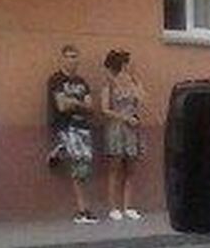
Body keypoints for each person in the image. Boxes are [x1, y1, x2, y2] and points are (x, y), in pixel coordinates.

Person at [47, 45, 98, 224]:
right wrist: (79, 103)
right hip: (66, 126)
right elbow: (61, 106)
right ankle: (82, 211)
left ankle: (59, 151)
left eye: (75, 56)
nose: (72, 60)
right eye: (69, 56)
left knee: (85, 168)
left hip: (83, 127)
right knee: (78, 167)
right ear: (62, 59)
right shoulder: (56, 79)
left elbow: (91, 107)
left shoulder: (82, 82)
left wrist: (73, 102)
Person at [98, 49, 145, 221]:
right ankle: (113, 207)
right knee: (115, 168)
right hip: (117, 128)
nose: (132, 66)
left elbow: (142, 100)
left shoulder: (134, 82)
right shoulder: (108, 84)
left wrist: (136, 83)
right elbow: (104, 109)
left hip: (132, 129)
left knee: (131, 168)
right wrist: (125, 118)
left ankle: (128, 206)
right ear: (123, 65)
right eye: (129, 63)